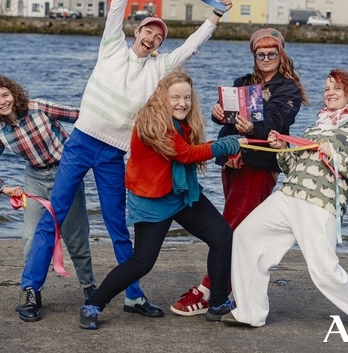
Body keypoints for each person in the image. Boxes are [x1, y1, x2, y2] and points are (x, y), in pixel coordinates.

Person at [18, 0, 233, 323]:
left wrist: (216, 15)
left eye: (158, 37)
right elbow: (116, 5)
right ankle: (31, 289)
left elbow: (191, 47)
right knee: (55, 214)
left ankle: (132, 296)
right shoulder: (112, 47)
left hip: (112, 154)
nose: (152, 38)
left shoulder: (158, 70)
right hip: (81, 143)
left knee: (118, 225)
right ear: (138, 31)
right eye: (149, 30)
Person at [222, 68, 348, 328]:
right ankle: (249, 312)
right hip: (289, 195)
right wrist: (282, 149)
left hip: (319, 203)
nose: (330, 92)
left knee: (323, 270)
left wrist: (334, 156)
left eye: (336, 87)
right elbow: (293, 166)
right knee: (245, 236)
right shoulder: (316, 127)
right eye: (326, 88)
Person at [78, 70, 246, 330]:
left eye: (187, 98)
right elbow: (186, 154)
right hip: (153, 198)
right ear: (162, 97)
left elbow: (187, 154)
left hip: (181, 192)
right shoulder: (152, 121)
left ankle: (218, 303)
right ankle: (94, 305)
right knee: (141, 262)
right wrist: (226, 145)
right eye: (175, 97)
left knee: (222, 237)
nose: (182, 103)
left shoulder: (179, 120)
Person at [171, 28, 308, 316]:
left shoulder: (288, 89)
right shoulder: (242, 83)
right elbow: (229, 119)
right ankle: (229, 289)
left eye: (273, 52)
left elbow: (277, 122)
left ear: (281, 54)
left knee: (230, 227)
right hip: (233, 159)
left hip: (260, 163)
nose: (267, 57)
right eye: (261, 53)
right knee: (236, 227)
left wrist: (252, 128)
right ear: (254, 56)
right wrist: (217, 113)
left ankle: (209, 290)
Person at [0, 75, 96, 307]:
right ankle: (31, 292)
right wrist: (3, 188)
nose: (2, 101)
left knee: (76, 237)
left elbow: (81, 116)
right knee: (31, 237)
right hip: (35, 179)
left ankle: (89, 288)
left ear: (14, 93)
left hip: (66, 174)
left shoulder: (39, 108)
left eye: (5, 95)